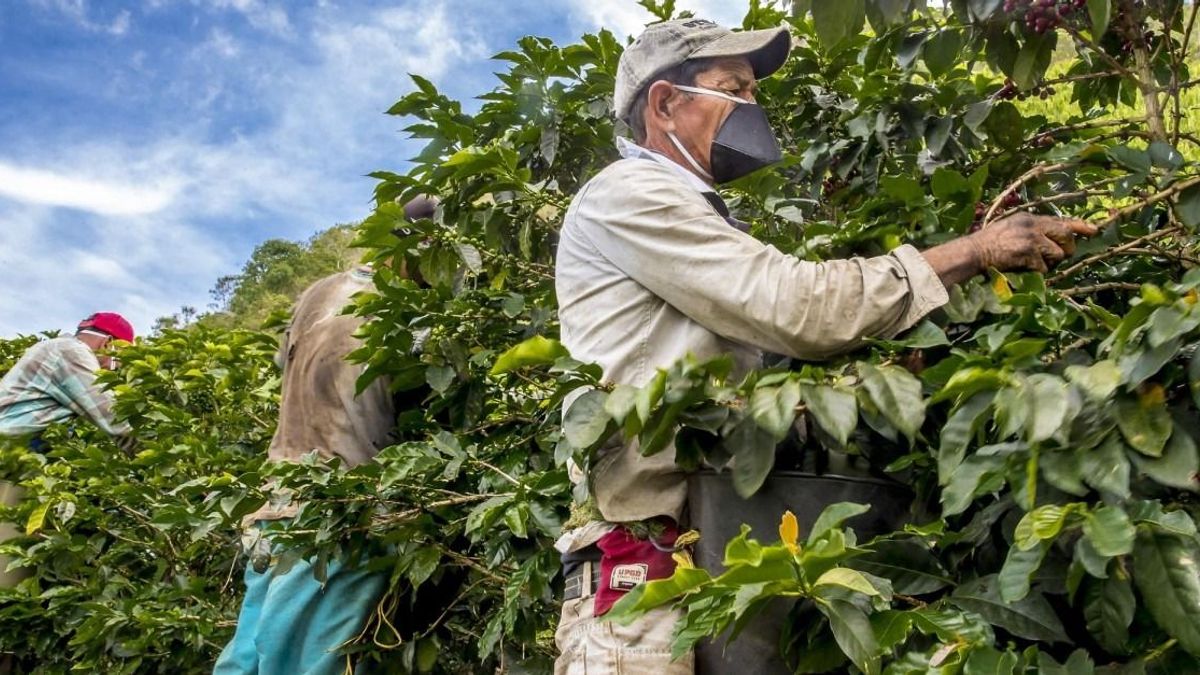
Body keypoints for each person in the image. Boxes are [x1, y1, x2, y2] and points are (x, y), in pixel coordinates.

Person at [551, 18, 1096, 674]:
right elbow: (795, 305)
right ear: (665, 104)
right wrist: (973, 251)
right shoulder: (630, 193)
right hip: (641, 579)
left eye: (754, 92)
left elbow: (757, 369)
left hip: (705, 560)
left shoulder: (696, 213)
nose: (751, 106)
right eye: (734, 88)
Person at [214, 197, 436, 675]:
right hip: (342, 513)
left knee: (247, 660)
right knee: (310, 663)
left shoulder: (319, 291)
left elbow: (285, 363)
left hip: (278, 500)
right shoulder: (410, 313)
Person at [0, 312, 135, 444]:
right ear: (108, 344)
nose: (111, 369)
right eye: (116, 361)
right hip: (9, 444)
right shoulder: (72, 352)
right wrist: (144, 450)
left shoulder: (56, 347)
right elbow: (110, 414)